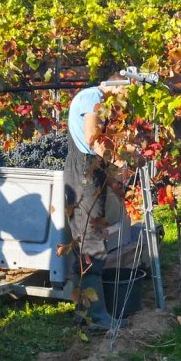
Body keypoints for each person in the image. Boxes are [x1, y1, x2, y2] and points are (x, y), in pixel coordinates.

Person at [64, 73, 136, 331]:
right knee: (91, 240)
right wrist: (119, 162)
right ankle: (95, 317)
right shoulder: (92, 96)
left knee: (90, 238)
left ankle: (84, 312)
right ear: (118, 86)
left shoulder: (99, 99)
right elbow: (91, 138)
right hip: (84, 170)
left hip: (91, 170)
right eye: (126, 95)